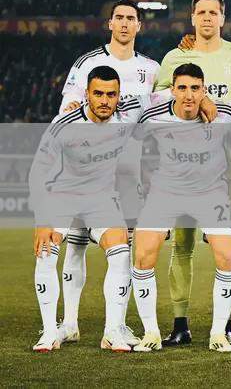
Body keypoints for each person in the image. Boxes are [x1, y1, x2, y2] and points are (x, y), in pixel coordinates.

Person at [154, 0, 231, 347]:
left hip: (225, 168)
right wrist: (201, 99)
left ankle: (226, 323)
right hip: (180, 165)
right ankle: (180, 323)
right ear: (192, 18)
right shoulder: (176, 56)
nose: (207, 18)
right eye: (201, 12)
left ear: (222, 17)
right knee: (182, 245)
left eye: (213, 12)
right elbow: (157, 99)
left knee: (226, 247)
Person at [30, 66, 159, 352]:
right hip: (62, 197)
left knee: (121, 250)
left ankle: (112, 330)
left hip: (101, 198)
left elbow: (166, 95)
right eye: (98, 94)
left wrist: (205, 101)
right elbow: (39, 171)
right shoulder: (65, 122)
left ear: (119, 95)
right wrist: (42, 220)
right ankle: (50, 332)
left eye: (111, 95)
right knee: (46, 250)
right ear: (87, 94)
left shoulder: (128, 112)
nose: (104, 100)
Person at [57, 0, 160, 347]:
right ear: (110, 23)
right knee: (75, 245)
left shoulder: (151, 68)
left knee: (124, 248)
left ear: (139, 25)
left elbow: (166, 100)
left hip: (129, 170)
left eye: (131, 18)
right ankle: (69, 323)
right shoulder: (87, 62)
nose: (125, 23)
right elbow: (68, 108)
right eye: (119, 17)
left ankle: (116, 325)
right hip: (87, 169)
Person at [131, 63, 231, 353]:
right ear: (172, 90)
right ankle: (151, 333)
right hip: (165, 193)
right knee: (142, 255)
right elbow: (126, 128)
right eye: (182, 88)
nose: (189, 95)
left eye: (195, 88)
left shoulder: (225, 114)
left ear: (204, 90)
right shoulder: (153, 116)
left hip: (211, 193)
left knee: (227, 256)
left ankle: (218, 333)